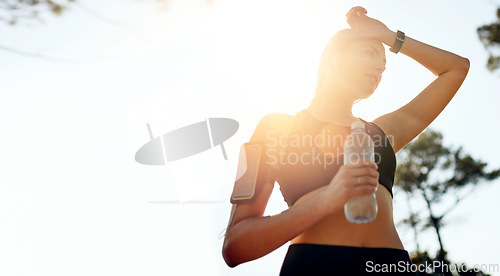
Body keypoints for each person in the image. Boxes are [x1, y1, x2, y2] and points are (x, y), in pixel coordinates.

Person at [222, 6, 469, 275]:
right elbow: (235, 245)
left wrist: (387, 36)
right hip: (315, 265)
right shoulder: (275, 128)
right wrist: (326, 198)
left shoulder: (383, 133)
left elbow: (456, 69)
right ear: (334, 59)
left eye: (384, 67)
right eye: (369, 54)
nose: (379, 67)